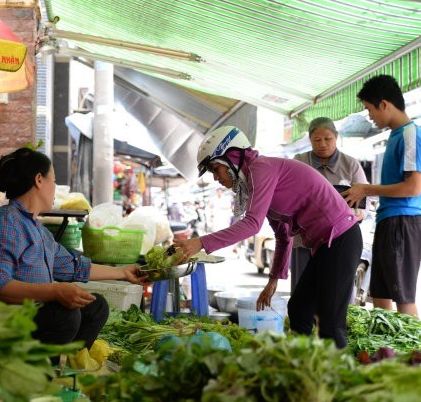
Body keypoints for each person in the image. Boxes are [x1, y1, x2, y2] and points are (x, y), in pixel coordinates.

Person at [173, 126, 362, 348]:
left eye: (216, 169)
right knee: (299, 309)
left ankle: (339, 377)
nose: (216, 178)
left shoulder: (261, 169)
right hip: (326, 245)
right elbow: (283, 236)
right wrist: (273, 281)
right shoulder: (257, 178)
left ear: (232, 159)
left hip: (341, 239)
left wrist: (201, 242)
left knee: (330, 324)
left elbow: (252, 225)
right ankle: (301, 365)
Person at [0, 147, 146, 353]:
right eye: (54, 180)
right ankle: (41, 376)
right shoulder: (5, 222)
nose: (55, 187)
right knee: (64, 315)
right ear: (39, 180)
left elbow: (73, 267)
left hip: (29, 317)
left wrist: (123, 273)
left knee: (96, 307)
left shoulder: (38, 231)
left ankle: (65, 368)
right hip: (0, 322)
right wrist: (54, 291)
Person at [343, 75, 421, 317]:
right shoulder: (396, 135)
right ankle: (386, 353)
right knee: (381, 294)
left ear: (384, 104)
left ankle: (414, 354)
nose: (370, 117)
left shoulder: (409, 135)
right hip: (389, 221)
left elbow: (413, 187)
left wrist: (366, 189)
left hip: (402, 221)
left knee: (402, 297)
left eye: (369, 109)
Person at [290, 117, 368, 292]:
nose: (323, 144)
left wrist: (359, 214)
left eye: (328, 139)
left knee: (335, 292)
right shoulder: (299, 161)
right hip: (304, 240)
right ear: (310, 140)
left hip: (339, 239)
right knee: (302, 292)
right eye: (317, 140)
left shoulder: (351, 164)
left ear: (336, 137)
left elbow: (365, 200)